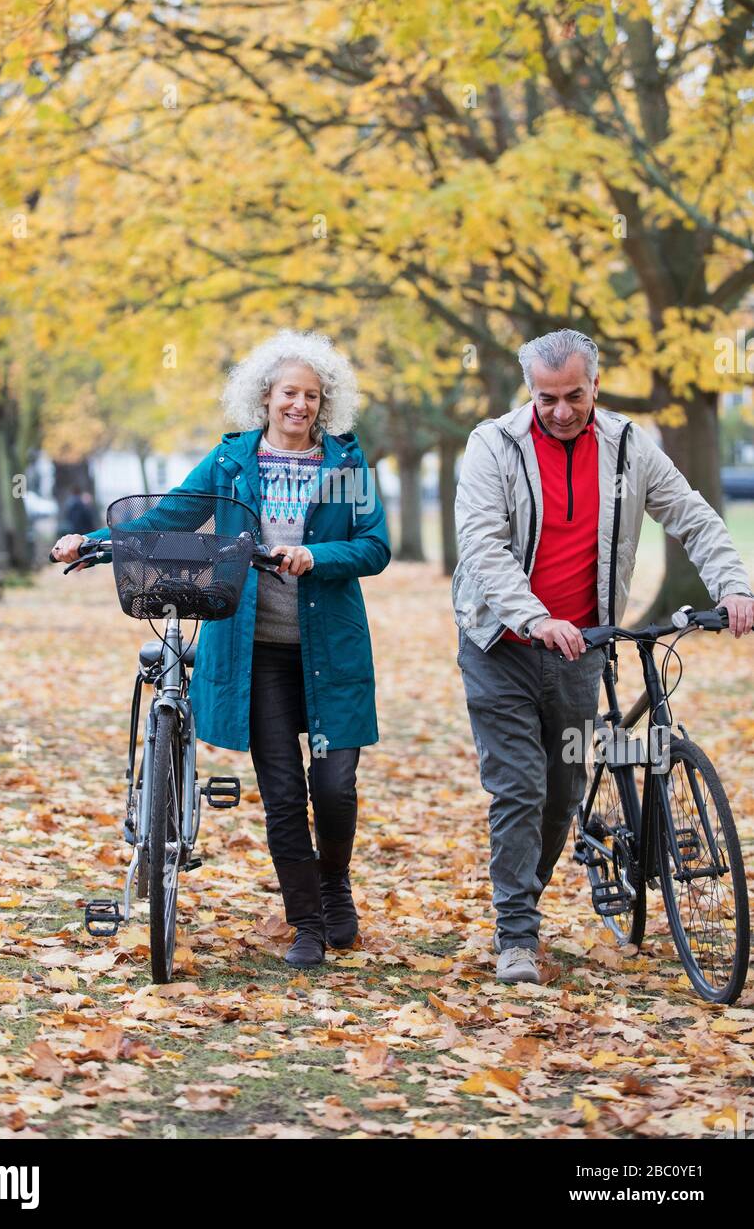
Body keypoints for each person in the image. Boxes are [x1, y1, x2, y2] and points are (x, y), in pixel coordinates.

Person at [52, 329, 391, 968]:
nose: (300, 406)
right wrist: (92, 541)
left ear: (325, 403)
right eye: (289, 393)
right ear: (265, 396)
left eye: (312, 396)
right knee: (286, 792)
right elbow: (168, 517)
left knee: (336, 786)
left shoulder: (345, 465)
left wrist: (315, 555)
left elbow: (374, 545)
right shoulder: (233, 461)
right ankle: (309, 925)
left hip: (330, 651)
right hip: (253, 652)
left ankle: (335, 882)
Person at [452, 328, 754, 985]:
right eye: (547, 398)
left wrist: (733, 585)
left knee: (560, 794)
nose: (561, 411)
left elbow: (693, 517)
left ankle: (522, 900)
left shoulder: (627, 448)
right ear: (529, 390)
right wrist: (534, 617)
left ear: (596, 385)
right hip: (500, 644)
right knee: (520, 787)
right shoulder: (493, 447)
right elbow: (480, 547)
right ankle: (516, 936)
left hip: (583, 646)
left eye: (574, 396)